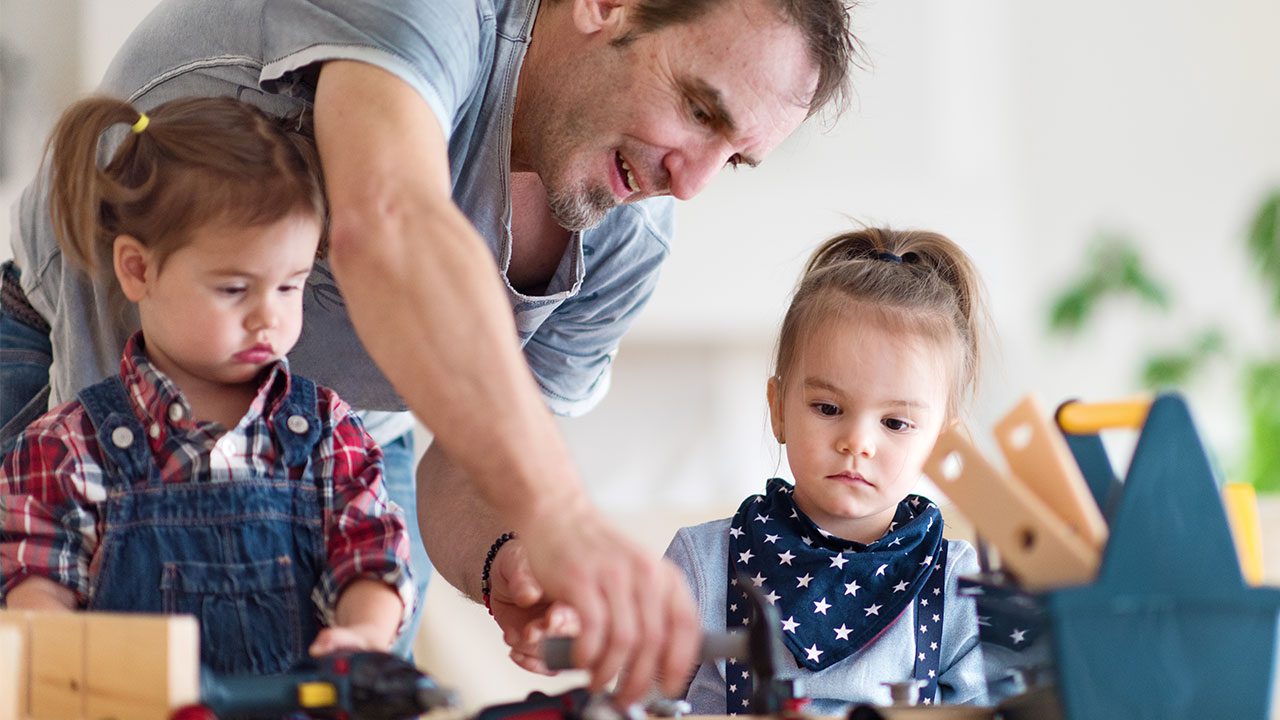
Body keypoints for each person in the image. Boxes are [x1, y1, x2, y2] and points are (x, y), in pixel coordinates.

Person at [0, 0, 859, 697]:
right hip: (64, 383)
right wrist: (560, 517)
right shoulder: (436, 12)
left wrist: (511, 554)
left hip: (337, 457)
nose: (693, 181)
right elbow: (391, 223)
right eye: (700, 110)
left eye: (735, 158)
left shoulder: (627, 237)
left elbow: (470, 461)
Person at [0, 96, 416, 675]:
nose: (268, 318)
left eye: (289, 287)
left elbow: (372, 555)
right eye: (234, 289)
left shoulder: (326, 431)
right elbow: (34, 585)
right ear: (138, 270)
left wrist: (365, 635)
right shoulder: (68, 448)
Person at [665, 228, 990, 712]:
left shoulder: (958, 584)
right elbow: (634, 704)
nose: (856, 442)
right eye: (828, 408)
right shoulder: (702, 564)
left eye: (896, 422)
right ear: (778, 409)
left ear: (941, 443)